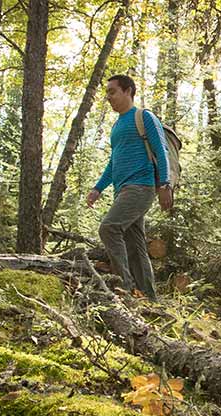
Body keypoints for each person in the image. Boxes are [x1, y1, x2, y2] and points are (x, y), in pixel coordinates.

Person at [84, 74, 171, 300]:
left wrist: (164, 183)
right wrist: (98, 188)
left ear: (128, 91)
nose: (108, 97)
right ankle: (148, 298)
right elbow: (114, 162)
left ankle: (125, 289)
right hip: (123, 190)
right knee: (135, 245)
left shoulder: (144, 117)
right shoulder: (117, 126)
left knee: (109, 228)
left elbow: (161, 151)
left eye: (112, 91)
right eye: (107, 93)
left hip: (141, 186)